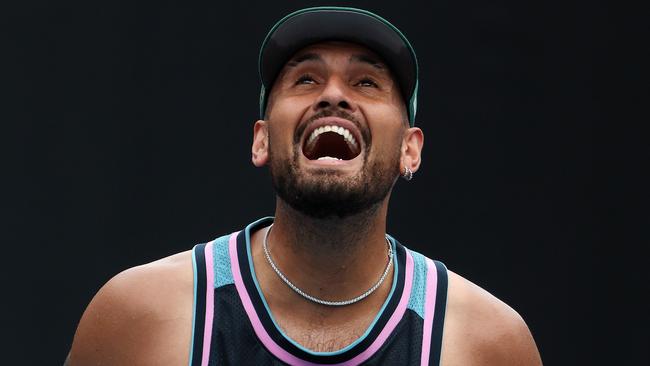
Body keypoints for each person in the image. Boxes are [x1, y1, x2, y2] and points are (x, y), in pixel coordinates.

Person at [66, 7, 542, 366]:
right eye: (306, 78)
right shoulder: (140, 317)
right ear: (261, 139)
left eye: (367, 83)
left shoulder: (486, 342)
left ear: (409, 150)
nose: (333, 95)